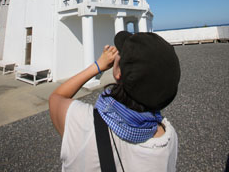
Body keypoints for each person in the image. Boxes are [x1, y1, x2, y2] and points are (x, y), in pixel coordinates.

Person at [49, 31, 181, 171]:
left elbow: (56, 97)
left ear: (119, 73)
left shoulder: (83, 124)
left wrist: (98, 66)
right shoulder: (169, 137)